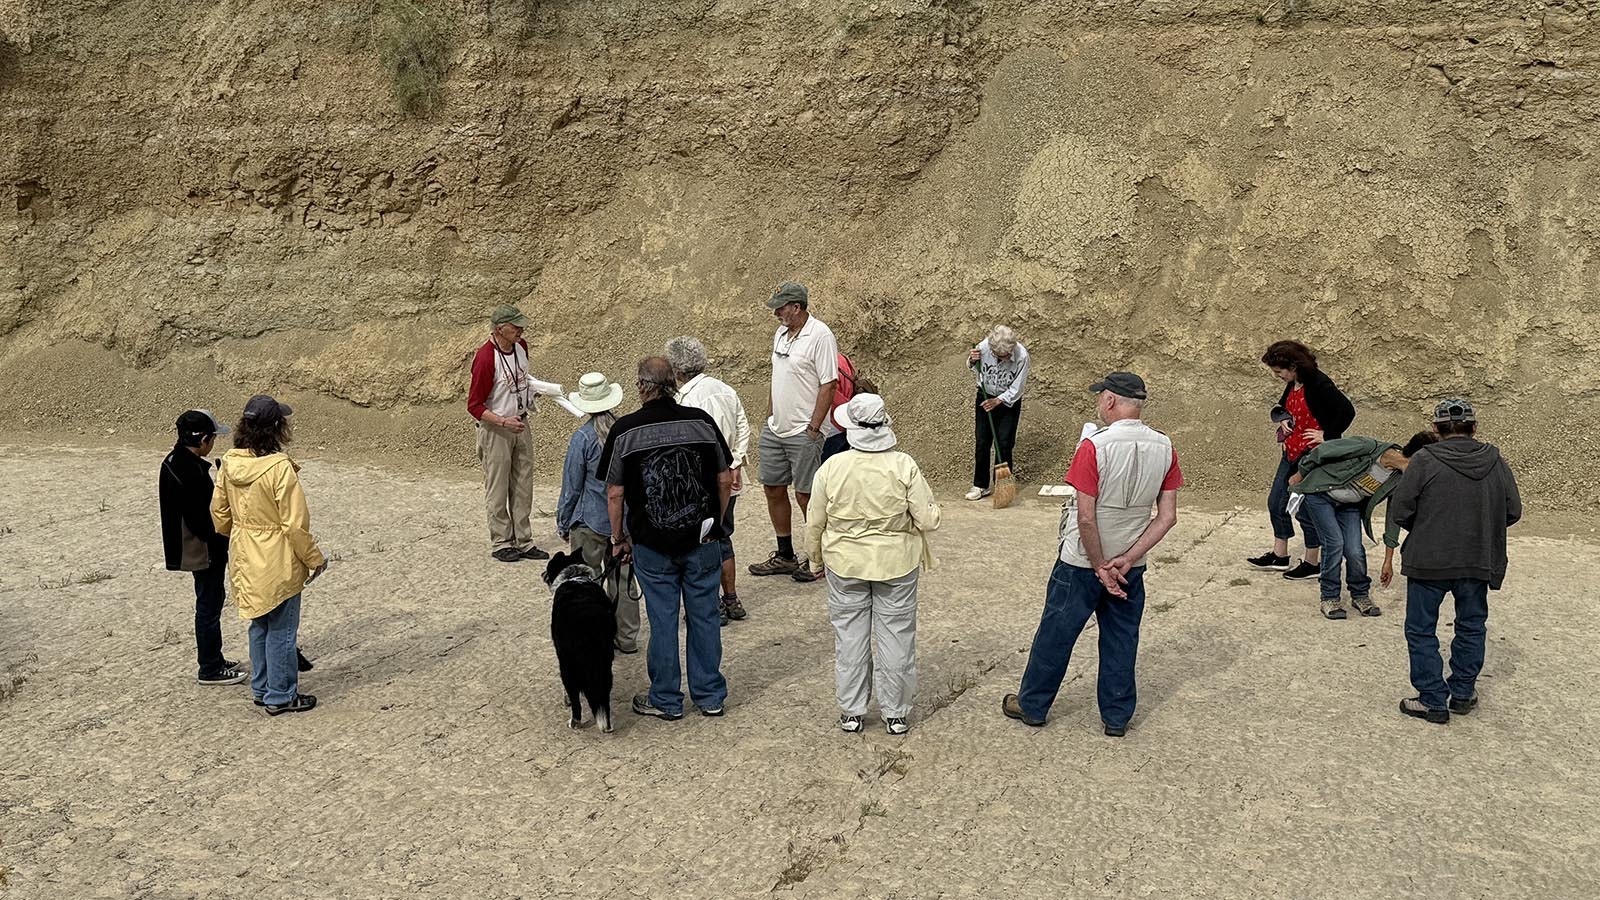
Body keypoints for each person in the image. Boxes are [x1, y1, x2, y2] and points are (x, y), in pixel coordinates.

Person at [1003, 373, 1182, 737]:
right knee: (1122, 636)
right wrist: (1128, 559)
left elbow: (1086, 516)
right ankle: (1116, 717)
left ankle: (1034, 705)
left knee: (1056, 633)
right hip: (1130, 561)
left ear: (1112, 400)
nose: (1099, 404)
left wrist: (1100, 564)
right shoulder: (1165, 446)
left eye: (1101, 397)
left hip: (1083, 560)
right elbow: (1167, 517)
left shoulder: (1094, 447)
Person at [599, 358, 734, 721]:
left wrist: (617, 538)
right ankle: (709, 695)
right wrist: (717, 524)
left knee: (662, 620)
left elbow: (614, 492)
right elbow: (725, 480)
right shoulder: (702, 423)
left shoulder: (625, 431)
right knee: (704, 615)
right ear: (673, 383)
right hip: (701, 538)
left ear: (643, 387)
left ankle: (666, 698)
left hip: (651, 542)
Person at [806, 393, 941, 735]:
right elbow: (927, 520)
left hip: (844, 561)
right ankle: (895, 713)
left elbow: (814, 521)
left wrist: (814, 559)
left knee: (849, 636)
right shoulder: (903, 465)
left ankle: (851, 710)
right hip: (896, 561)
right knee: (897, 636)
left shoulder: (833, 467)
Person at [1389, 399, 1521, 724]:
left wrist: (1428, 528)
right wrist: (1479, 527)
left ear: (1435, 429)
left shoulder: (1422, 460)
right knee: (1472, 626)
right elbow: (1513, 510)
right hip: (1476, 560)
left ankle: (1432, 700)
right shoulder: (1495, 460)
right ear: (1474, 427)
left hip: (1427, 561)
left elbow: (1401, 510)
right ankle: (1462, 694)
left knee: (1421, 631)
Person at [211, 395, 328, 716]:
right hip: (277, 558)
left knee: (258, 625)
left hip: (245, 556)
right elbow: (294, 524)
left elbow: (219, 516)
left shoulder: (229, 463)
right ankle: (280, 695)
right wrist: (314, 558)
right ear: (277, 427)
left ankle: (262, 689)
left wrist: (243, 533)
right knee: (282, 630)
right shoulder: (280, 469)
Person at [1288, 431, 1439, 619]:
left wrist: (1388, 560)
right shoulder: (1369, 447)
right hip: (1320, 495)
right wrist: (1300, 473)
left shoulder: (1399, 479)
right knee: (1334, 543)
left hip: (1349, 505)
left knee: (1354, 550)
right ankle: (1329, 597)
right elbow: (1326, 450)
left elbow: (1394, 517)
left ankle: (1360, 594)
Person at [751, 281, 838, 584]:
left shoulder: (821, 336)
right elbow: (778, 375)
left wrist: (814, 427)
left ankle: (817, 557)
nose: (776, 312)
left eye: (781, 307)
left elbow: (829, 384)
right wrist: (769, 415)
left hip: (804, 430)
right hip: (777, 428)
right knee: (772, 488)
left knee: (807, 495)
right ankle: (785, 554)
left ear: (797, 307)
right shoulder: (781, 334)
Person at [1246, 340, 1355, 581]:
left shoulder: (1319, 383)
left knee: (1306, 508)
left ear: (1293, 366)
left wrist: (1327, 435)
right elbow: (1285, 406)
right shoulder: (1295, 382)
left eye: (1278, 371)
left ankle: (1311, 561)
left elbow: (1347, 411)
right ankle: (1280, 555)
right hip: (1292, 452)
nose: (1277, 376)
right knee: (1277, 501)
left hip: (1312, 456)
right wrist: (1283, 418)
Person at [466, 304, 562, 563]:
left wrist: (535, 391)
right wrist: (503, 421)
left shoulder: (522, 348)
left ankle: (524, 540)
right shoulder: (486, 358)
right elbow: (474, 405)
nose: (521, 330)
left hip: (520, 422)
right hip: (497, 429)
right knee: (498, 487)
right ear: (500, 329)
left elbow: (522, 380)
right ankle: (501, 542)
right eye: (515, 326)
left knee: (522, 484)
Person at [667, 336, 753, 625]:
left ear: (677, 369)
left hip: (703, 484)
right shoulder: (725, 389)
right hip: (732, 478)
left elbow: (699, 446)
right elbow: (742, 425)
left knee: (701, 542)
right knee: (723, 536)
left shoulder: (689, 400)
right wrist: (736, 461)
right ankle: (731, 599)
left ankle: (712, 602)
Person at [159, 409, 246, 686]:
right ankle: (209, 667)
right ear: (203, 439)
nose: (213, 445)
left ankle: (214, 658)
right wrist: (223, 535)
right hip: (202, 549)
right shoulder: (190, 469)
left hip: (198, 547)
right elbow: (202, 518)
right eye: (212, 439)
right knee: (209, 605)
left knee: (211, 601)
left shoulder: (176, 461)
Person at [556, 372, 640, 654]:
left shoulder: (582, 438)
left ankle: (590, 636)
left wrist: (563, 520)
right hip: (624, 522)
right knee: (624, 579)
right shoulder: (627, 432)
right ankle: (627, 637)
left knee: (584, 583)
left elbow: (572, 485)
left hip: (589, 521)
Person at [966, 326, 1031, 501]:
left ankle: (1002, 487)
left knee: (1004, 444)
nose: (1008, 358)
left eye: (1009, 354)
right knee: (982, 441)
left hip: (1008, 402)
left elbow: (1018, 388)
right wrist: (972, 360)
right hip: (985, 396)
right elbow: (973, 367)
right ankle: (980, 485)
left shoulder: (1022, 356)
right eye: (1002, 356)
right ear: (993, 352)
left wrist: (999, 400)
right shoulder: (983, 347)